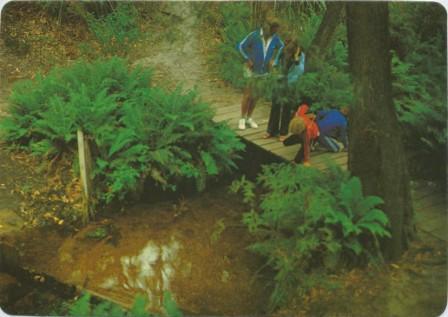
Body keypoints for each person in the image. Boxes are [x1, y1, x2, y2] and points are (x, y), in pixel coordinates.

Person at [237, 17, 284, 130]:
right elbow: (240, 46)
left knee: (256, 95)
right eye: (273, 30)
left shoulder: (275, 38)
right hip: (251, 70)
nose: (274, 33)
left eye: (276, 31)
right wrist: (247, 58)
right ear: (268, 27)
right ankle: (242, 118)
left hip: (264, 71)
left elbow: (282, 47)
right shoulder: (255, 35)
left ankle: (249, 118)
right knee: (248, 94)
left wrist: (274, 60)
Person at [265, 39, 305, 141]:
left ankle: (283, 132)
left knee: (286, 108)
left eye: (290, 52)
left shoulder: (301, 56)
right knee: (275, 105)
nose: (288, 53)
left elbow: (300, 70)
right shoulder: (283, 50)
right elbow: (276, 63)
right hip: (279, 80)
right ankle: (271, 130)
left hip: (291, 84)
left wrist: (296, 59)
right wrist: (274, 70)